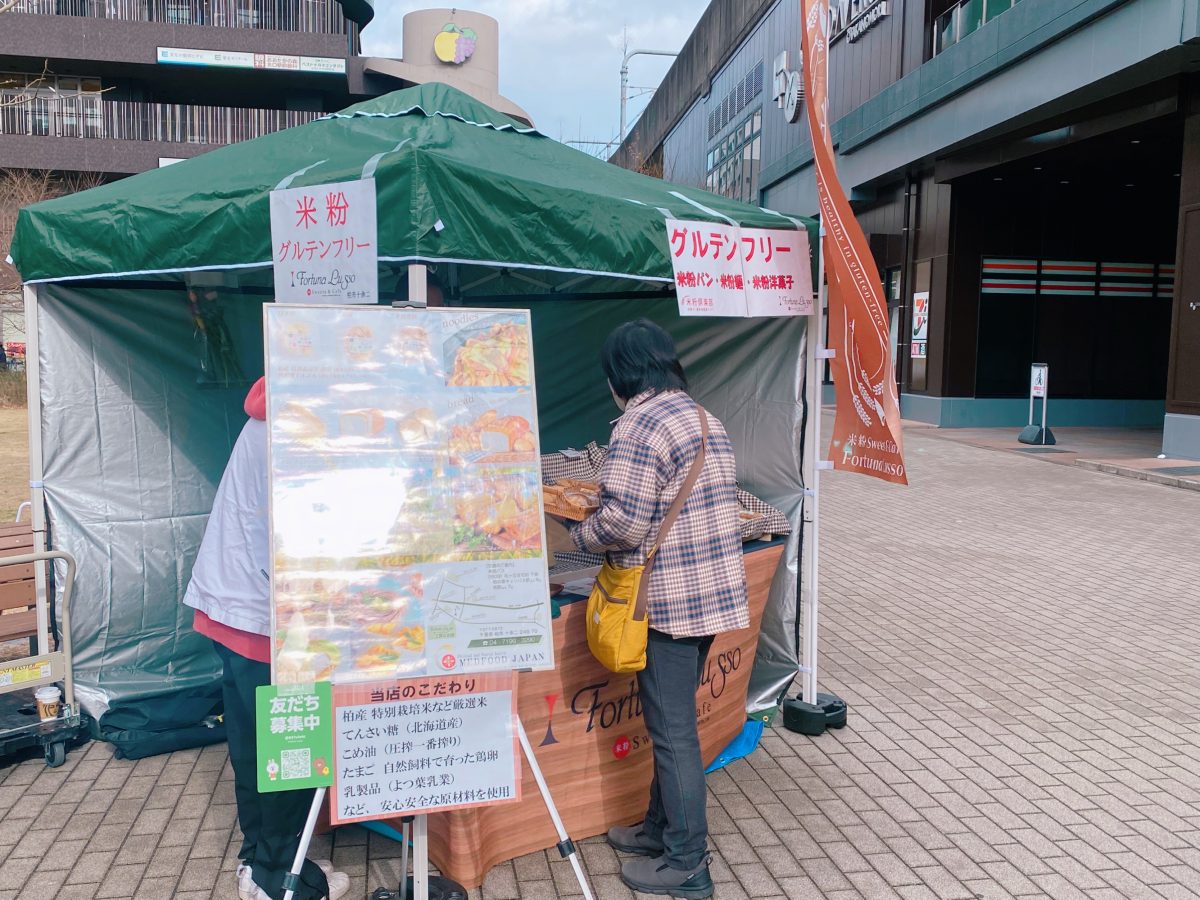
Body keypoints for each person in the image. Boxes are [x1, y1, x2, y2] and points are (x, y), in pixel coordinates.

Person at [567, 319, 749, 899]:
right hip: (709, 599)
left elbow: (622, 521)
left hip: (665, 603)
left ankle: (687, 864)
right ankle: (657, 831)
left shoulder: (639, 423)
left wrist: (576, 534)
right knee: (672, 727)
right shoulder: (701, 416)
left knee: (673, 737)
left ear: (621, 374)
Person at [183, 377, 350, 900]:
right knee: (290, 753)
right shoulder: (304, 420)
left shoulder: (279, 399)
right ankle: (282, 877)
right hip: (268, 615)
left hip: (232, 602)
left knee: (255, 749)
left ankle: (258, 864)